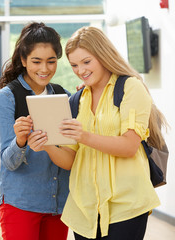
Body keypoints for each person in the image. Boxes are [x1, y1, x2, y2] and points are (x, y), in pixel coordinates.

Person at [27, 26, 166, 240]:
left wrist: (84, 136)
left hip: (126, 205)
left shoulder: (130, 87)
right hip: (85, 208)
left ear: (103, 56)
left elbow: (129, 146)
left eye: (86, 62)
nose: (80, 70)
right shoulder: (78, 99)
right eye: (74, 65)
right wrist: (45, 143)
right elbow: (71, 160)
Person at [0, 22, 70, 240]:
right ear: (24, 60)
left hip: (58, 203)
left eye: (51, 61)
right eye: (36, 61)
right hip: (21, 203)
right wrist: (20, 141)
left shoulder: (64, 96)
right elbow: (9, 163)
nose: (44, 69)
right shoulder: (6, 98)